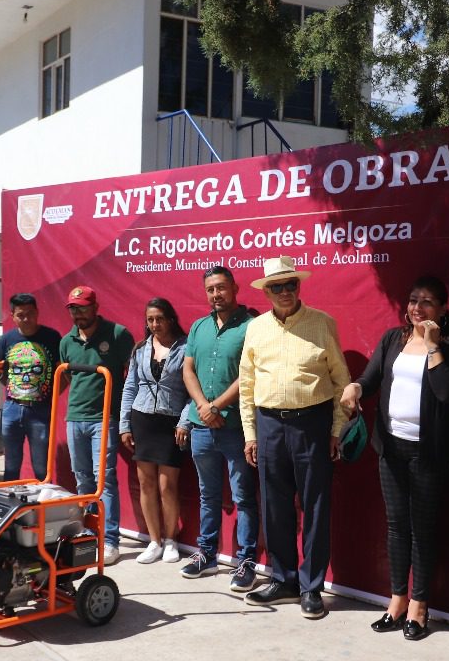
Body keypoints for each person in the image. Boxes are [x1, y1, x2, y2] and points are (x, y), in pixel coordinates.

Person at [339, 276, 449, 640]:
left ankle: (420, 606)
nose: (417, 308)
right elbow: (371, 377)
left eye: (427, 302)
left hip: (429, 452)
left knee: (423, 529)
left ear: (443, 309)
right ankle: (396, 601)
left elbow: (447, 393)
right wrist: (356, 388)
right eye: (413, 300)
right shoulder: (392, 339)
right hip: (391, 449)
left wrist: (432, 348)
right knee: (397, 527)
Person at [238, 255, 351, 619]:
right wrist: (250, 433)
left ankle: (311, 587)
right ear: (267, 291)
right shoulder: (255, 329)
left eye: (291, 284)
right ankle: (284, 580)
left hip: (311, 425)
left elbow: (341, 382)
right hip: (269, 424)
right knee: (274, 505)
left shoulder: (322, 324)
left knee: (316, 506)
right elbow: (247, 385)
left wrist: (336, 430)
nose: (285, 292)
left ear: (299, 286)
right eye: (277, 287)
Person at [178, 266, 261, 591]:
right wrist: (202, 406)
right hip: (201, 427)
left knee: (243, 496)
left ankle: (246, 560)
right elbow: (188, 369)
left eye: (222, 288)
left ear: (235, 288)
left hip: (236, 426)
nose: (216, 294)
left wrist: (217, 406)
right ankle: (207, 554)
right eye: (211, 289)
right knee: (208, 494)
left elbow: (249, 373)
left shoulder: (251, 327)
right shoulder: (198, 327)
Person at [60, 285, 135, 564]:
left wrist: (129, 416)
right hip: (74, 418)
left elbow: (134, 374)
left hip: (105, 419)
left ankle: (111, 540)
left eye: (82, 307)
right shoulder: (67, 341)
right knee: (82, 479)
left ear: (95, 307)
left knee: (105, 480)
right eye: (73, 309)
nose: (77, 313)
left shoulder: (117, 334)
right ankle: (87, 534)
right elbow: (66, 379)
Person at [119, 298, 189, 564]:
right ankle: (154, 541)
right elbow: (130, 388)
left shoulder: (185, 348)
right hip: (143, 420)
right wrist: (125, 424)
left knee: (167, 485)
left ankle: (171, 540)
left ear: (170, 318)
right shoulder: (140, 349)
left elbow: (192, 392)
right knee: (146, 484)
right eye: (150, 320)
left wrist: (184, 422)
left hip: (170, 423)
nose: (155, 324)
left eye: (160, 318)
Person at [0, 293, 62, 481]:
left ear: (38, 313)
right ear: (13, 316)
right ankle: (11, 506)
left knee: (41, 467)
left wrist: (50, 395)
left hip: (40, 410)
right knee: (11, 466)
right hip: (11, 408)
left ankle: (41, 508)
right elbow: (0, 372)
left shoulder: (52, 337)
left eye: (30, 314)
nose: (26, 319)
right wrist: (18, 390)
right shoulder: (5, 340)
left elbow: (62, 372)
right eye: (21, 315)